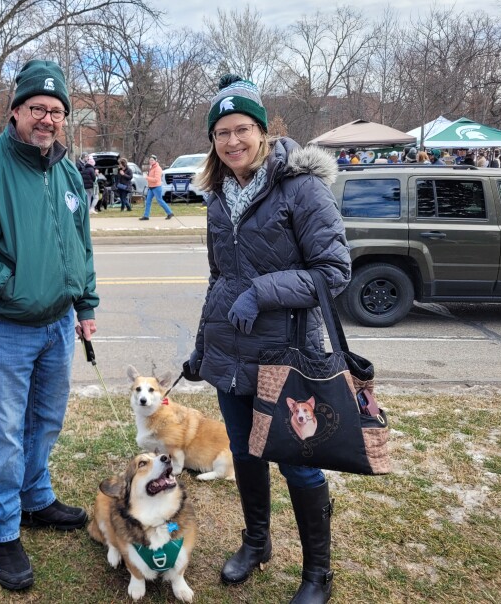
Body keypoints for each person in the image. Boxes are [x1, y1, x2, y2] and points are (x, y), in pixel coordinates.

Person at [183, 73, 350, 604]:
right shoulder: (217, 197)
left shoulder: (300, 188)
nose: (233, 141)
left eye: (244, 129)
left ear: (263, 131)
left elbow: (333, 270)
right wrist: (203, 346)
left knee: (299, 462)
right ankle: (257, 543)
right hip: (232, 356)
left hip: (288, 354)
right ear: (212, 141)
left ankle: (317, 573)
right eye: (222, 133)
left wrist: (262, 292)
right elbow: (218, 281)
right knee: (246, 454)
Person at [0, 59, 99, 592]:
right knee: (3, 432)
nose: (47, 119)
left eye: (56, 111)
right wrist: (11, 284)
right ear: (16, 112)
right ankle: (2, 530)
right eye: (37, 109)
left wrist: (85, 304)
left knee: (46, 421)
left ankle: (35, 500)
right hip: (6, 327)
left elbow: (80, 245)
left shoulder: (68, 171)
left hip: (57, 326)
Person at [139, 154, 174, 220]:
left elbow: (156, 180)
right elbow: (151, 178)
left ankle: (170, 213)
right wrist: (148, 177)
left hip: (157, 187)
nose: (151, 161)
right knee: (148, 201)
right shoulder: (151, 168)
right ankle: (146, 216)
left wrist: (147, 178)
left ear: (155, 160)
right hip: (151, 187)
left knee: (160, 200)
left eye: (152, 160)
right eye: (150, 160)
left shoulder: (158, 168)